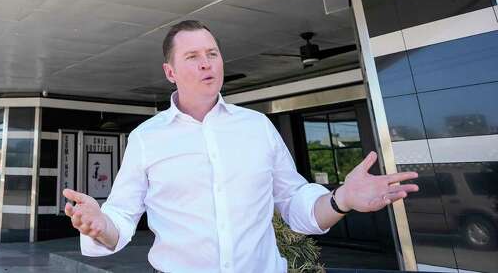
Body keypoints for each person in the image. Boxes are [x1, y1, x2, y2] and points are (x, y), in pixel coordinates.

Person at [62, 20, 419, 273]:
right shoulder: (146, 138)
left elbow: (295, 204)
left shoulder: (257, 127)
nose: (206, 62)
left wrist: (340, 199)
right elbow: (121, 219)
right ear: (169, 72)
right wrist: (99, 226)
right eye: (191, 56)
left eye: (212, 53)